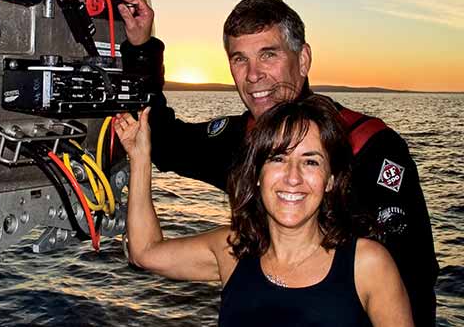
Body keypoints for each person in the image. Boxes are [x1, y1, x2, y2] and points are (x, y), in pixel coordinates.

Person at [112, 0, 437, 325]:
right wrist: (141, 46)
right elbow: (162, 140)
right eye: (240, 59)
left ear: (303, 59)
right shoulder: (239, 142)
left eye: (269, 54)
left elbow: (412, 276)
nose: (253, 75)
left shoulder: (368, 146)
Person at [115, 96, 414, 326]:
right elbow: (145, 252)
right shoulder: (233, 250)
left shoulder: (367, 264)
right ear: (257, 174)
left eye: (311, 162)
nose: (293, 177)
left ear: (331, 180)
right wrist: (140, 158)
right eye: (278, 159)